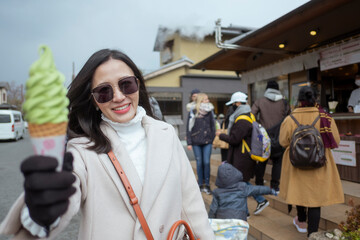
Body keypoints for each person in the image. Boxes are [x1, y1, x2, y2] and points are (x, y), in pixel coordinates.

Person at [0, 49, 215, 239]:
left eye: (126, 84)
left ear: (138, 84)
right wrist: (43, 208)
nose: (119, 97)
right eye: (104, 91)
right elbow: (67, 191)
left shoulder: (166, 134)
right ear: (93, 100)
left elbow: (191, 203)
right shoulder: (82, 149)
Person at [279, 86, 344, 236]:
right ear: (315, 99)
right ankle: (312, 234)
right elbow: (336, 140)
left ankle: (301, 221)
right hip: (319, 162)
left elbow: (283, 141)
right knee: (315, 200)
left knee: (299, 192)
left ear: (299, 100)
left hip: (296, 162)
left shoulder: (290, 118)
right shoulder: (325, 117)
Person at [216, 91, 270, 216]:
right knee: (242, 183)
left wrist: (221, 135)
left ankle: (249, 209)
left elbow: (234, 139)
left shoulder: (242, 120)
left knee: (240, 184)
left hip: (242, 157)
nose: (232, 107)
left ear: (238, 103)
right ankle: (256, 203)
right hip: (245, 156)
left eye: (233, 104)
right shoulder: (249, 115)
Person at [251, 80, 290, 193]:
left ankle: (259, 183)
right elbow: (289, 117)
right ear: (278, 89)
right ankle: (275, 186)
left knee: (262, 160)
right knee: (277, 161)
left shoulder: (260, 101)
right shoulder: (284, 102)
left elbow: (251, 115)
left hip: (264, 136)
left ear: (267, 89)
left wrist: (259, 125)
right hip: (279, 135)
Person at [208, 162, 277, 221]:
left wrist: (210, 220)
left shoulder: (217, 192)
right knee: (241, 235)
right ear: (235, 174)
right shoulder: (242, 187)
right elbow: (258, 189)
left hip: (222, 220)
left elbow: (213, 209)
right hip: (239, 219)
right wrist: (270, 190)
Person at [186, 93, 215, 195]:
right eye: (205, 99)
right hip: (196, 141)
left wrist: (212, 138)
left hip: (207, 141)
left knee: (206, 162)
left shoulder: (210, 111)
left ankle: (206, 184)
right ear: (200, 101)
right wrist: (189, 142)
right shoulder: (193, 111)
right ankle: (199, 184)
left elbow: (213, 125)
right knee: (199, 163)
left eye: (207, 99)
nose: (208, 101)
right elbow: (188, 127)